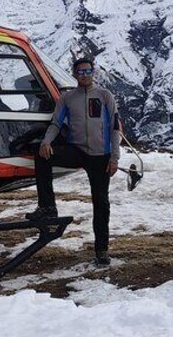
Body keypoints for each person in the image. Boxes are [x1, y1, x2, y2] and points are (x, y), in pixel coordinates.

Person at [26, 57, 121, 266]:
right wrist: (46, 142)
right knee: (42, 156)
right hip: (77, 150)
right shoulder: (67, 98)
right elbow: (56, 123)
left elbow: (115, 127)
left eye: (88, 71)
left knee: (101, 203)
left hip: (100, 157)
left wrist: (114, 157)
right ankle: (47, 207)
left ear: (93, 72)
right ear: (75, 74)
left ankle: (102, 250)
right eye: (80, 72)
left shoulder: (105, 96)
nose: (84, 75)